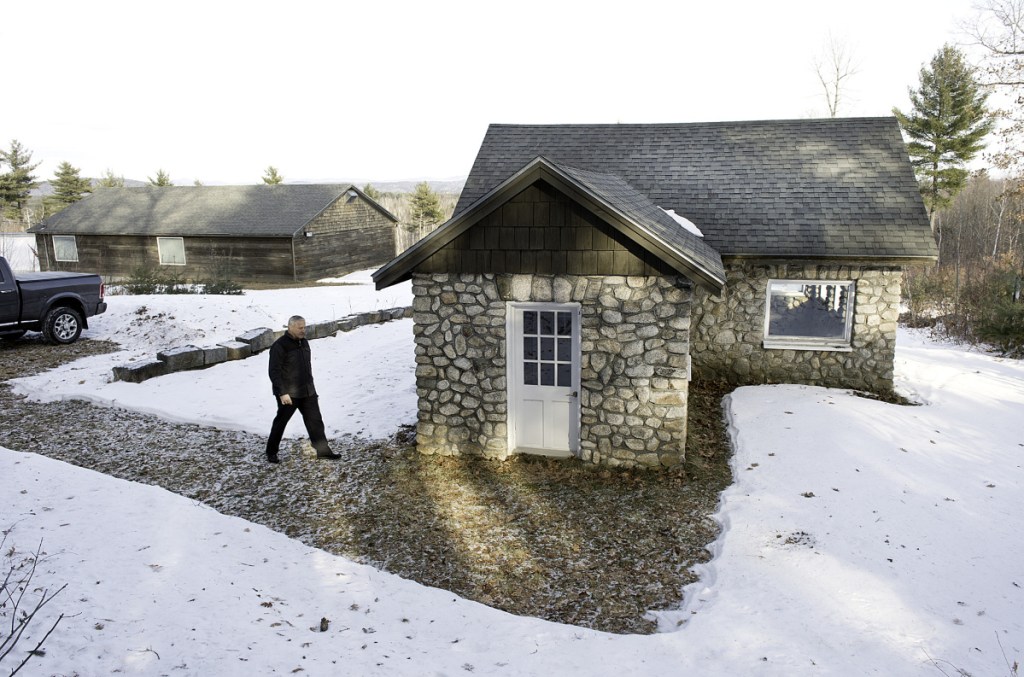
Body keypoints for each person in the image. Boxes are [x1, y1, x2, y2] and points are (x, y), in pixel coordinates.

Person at [265, 315, 340, 463]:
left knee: (316, 422)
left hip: (308, 391)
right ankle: (271, 452)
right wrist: (282, 392)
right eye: (300, 327)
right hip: (289, 394)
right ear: (290, 327)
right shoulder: (280, 346)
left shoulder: (304, 342)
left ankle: (323, 451)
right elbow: (274, 371)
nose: (303, 330)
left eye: (304, 327)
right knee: (281, 422)